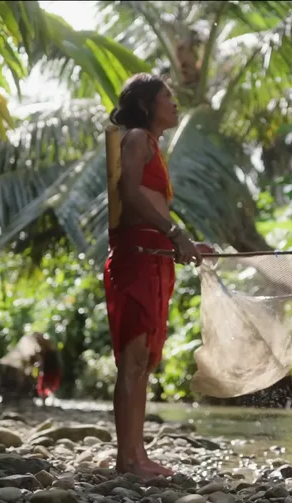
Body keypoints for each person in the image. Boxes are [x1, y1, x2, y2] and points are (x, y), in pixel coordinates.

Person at [103, 73, 208, 478]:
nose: (175, 103)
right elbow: (129, 193)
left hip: (154, 256)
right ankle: (127, 460)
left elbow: (154, 211)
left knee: (142, 362)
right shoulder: (135, 139)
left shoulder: (152, 146)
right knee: (132, 362)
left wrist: (185, 244)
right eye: (167, 96)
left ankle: (136, 455)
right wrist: (173, 233)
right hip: (137, 258)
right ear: (147, 105)